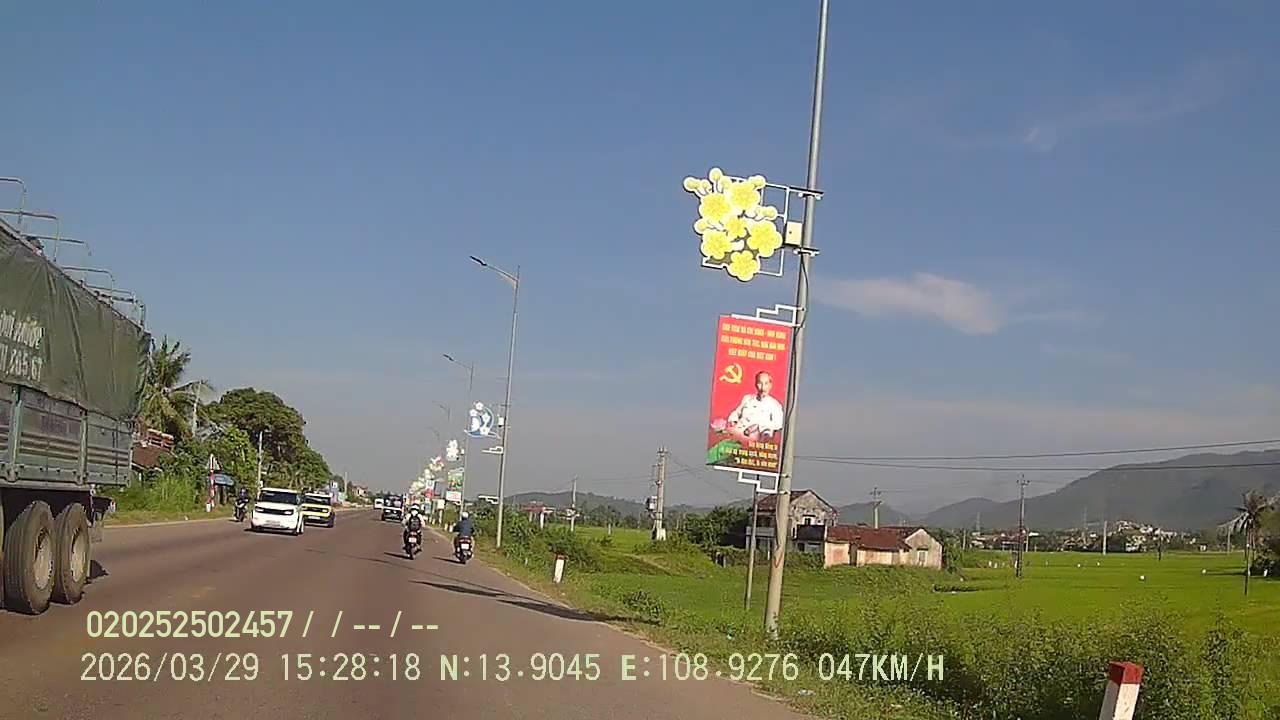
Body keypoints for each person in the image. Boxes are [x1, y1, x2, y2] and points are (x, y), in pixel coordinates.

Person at [727, 371, 785, 442]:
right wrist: (733, 420)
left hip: (754, 439)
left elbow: (778, 424)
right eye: (760, 383)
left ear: (770, 385)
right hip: (736, 433)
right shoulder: (747, 398)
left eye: (766, 383)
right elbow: (736, 412)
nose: (763, 388)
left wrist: (759, 426)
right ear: (755, 384)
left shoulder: (775, 405)